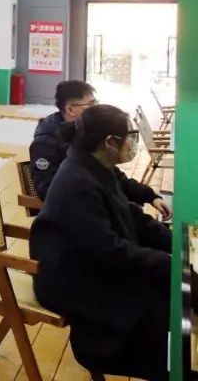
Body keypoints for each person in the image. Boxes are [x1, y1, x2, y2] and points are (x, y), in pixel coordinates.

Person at [30, 104, 170, 381]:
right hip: (70, 279)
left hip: (91, 259)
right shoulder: (78, 180)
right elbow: (108, 251)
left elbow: (131, 214)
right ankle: (162, 365)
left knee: (166, 284)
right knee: (153, 301)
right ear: (109, 142)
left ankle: (170, 360)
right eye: (130, 137)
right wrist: (166, 261)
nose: (132, 143)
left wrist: (173, 243)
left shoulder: (96, 165)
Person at [29, 80, 170, 220]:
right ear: (70, 110)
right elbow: (47, 190)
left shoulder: (84, 132)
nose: (95, 108)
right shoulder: (45, 143)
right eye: (90, 104)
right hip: (70, 217)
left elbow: (112, 175)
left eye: (95, 103)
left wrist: (150, 196)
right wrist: (103, 202)